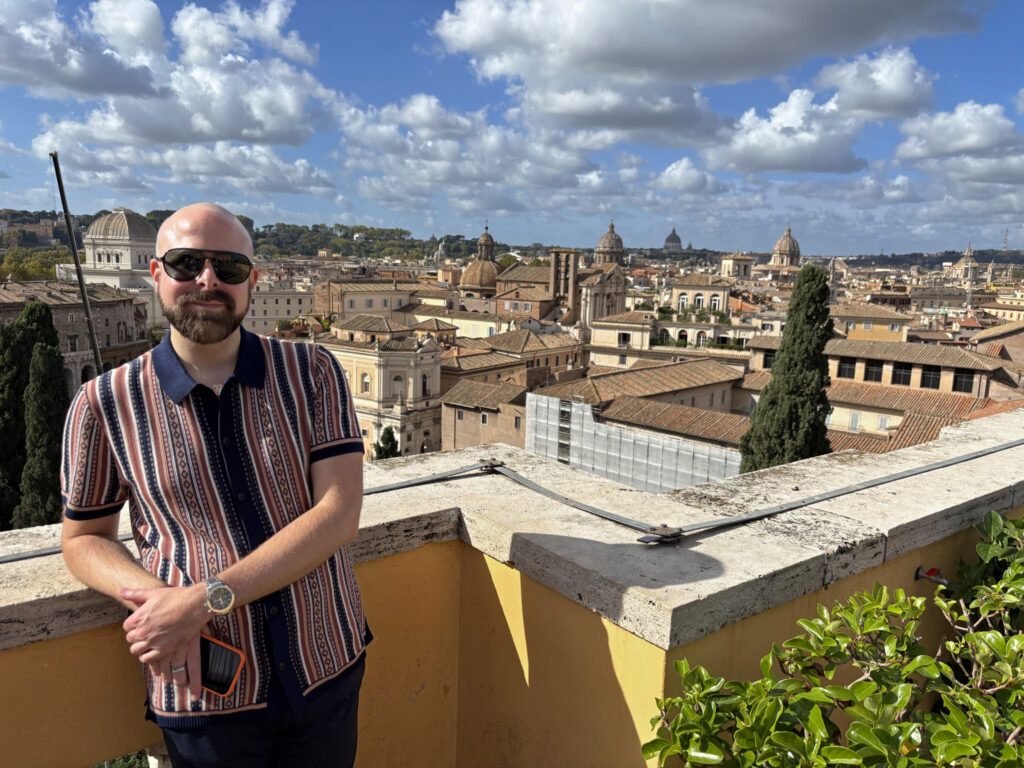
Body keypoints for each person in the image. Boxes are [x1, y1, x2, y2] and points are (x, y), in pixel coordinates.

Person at [60, 203, 369, 767]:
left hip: (325, 667)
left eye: (228, 267)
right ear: (157, 276)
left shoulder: (314, 372)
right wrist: (161, 606)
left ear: (252, 282)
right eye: (186, 263)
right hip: (203, 694)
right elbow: (84, 538)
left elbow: (340, 512)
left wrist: (202, 601)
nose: (207, 280)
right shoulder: (103, 403)